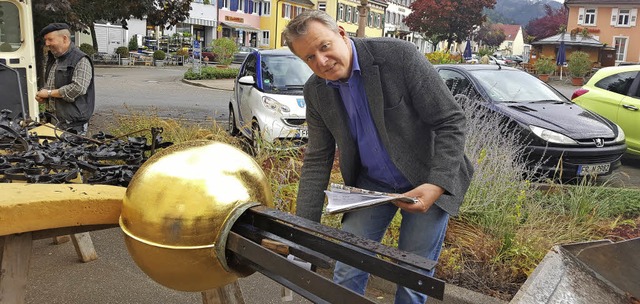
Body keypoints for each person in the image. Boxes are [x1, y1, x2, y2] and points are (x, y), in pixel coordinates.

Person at [283, 10, 473, 304]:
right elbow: (318, 159)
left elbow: (451, 120)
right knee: (347, 268)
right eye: (309, 58)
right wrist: (303, 234)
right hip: (371, 184)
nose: (321, 61)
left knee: (412, 277)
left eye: (324, 46)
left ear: (343, 34)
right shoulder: (316, 91)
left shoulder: (398, 57)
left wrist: (436, 185)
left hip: (427, 177)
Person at [35, 23, 95, 135]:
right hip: (54, 119)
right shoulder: (53, 58)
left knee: (72, 152)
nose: (47, 43)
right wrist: (43, 96)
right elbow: (51, 83)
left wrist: (48, 93)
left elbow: (78, 88)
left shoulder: (81, 59)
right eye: (46, 40)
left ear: (64, 38)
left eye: (50, 39)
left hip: (72, 124)